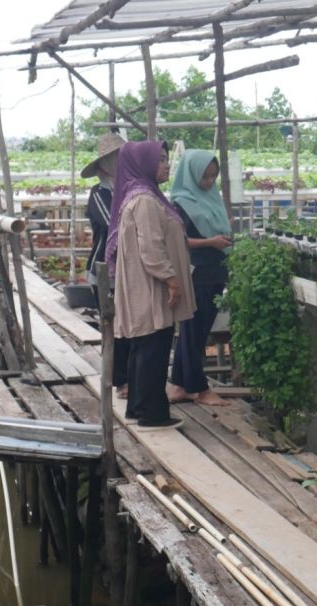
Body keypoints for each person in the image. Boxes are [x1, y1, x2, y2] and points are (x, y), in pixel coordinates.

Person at [110, 141, 195, 430]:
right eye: (160, 160)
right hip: (150, 286)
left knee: (144, 347)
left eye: (166, 159)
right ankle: (152, 413)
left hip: (145, 285)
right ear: (144, 164)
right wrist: (172, 280)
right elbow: (152, 249)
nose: (166, 165)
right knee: (152, 349)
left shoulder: (143, 195)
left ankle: (138, 408)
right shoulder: (145, 200)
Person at [166, 150, 233, 406]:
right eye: (205, 176)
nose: (209, 181)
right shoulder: (180, 203)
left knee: (197, 330)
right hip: (197, 271)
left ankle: (178, 385)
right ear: (192, 174)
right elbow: (179, 240)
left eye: (213, 176)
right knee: (193, 331)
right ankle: (200, 389)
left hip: (216, 269)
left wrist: (223, 235)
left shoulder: (211, 197)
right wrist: (210, 241)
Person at [81, 133, 131, 397]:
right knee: (114, 324)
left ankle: (128, 378)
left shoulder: (132, 189)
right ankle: (119, 380)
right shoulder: (100, 193)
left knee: (130, 324)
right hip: (105, 270)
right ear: (104, 167)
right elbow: (114, 225)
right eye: (115, 160)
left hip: (131, 268)